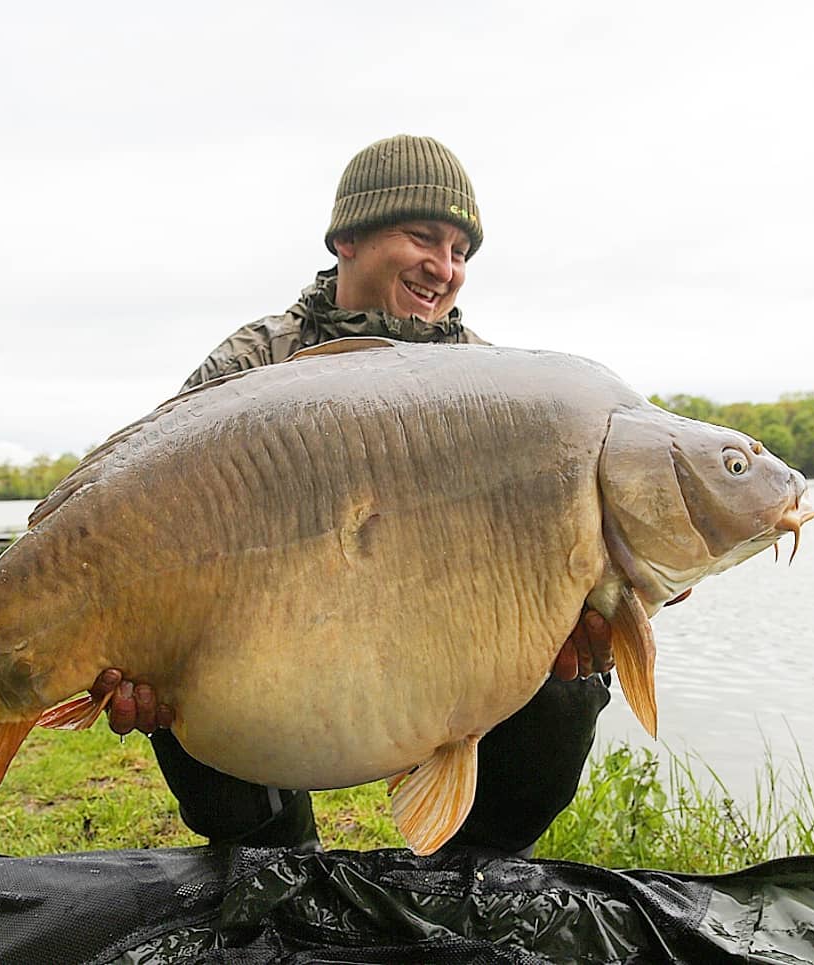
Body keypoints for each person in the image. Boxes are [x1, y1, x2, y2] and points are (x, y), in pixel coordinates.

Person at [91, 134, 615, 856]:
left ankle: (473, 873)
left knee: (571, 684)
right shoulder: (254, 362)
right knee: (172, 666)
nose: (446, 268)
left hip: (438, 652)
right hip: (276, 647)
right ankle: (271, 857)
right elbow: (150, 500)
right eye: (423, 237)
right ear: (348, 238)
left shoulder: (493, 388)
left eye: (462, 251)